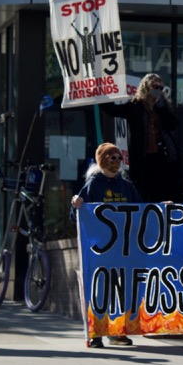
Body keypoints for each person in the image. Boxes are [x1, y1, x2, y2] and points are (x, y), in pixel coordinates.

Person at [72, 142, 138, 347]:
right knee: (99, 292)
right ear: (102, 160)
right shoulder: (92, 186)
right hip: (99, 251)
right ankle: (96, 333)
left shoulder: (127, 187)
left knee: (121, 292)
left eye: (119, 158)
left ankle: (117, 332)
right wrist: (76, 206)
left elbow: (143, 211)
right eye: (112, 158)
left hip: (122, 250)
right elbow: (76, 217)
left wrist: (162, 210)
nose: (116, 162)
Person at [99, 73, 181, 203]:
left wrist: (162, 108)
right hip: (142, 157)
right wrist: (101, 95)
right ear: (146, 86)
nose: (158, 89)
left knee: (160, 192)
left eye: (161, 87)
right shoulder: (135, 106)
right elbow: (113, 110)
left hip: (160, 156)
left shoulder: (162, 107)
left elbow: (173, 125)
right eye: (155, 86)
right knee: (142, 191)